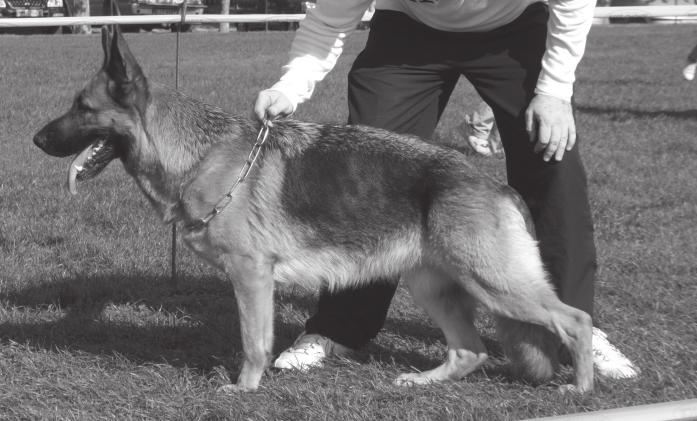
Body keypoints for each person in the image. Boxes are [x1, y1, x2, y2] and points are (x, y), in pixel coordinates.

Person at [253, 0, 639, 380]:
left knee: (553, 161)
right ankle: (338, 329)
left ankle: (572, 327)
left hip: (514, 28)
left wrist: (554, 91)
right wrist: (289, 87)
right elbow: (327, 21)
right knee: (365, 170)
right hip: (409, 32)